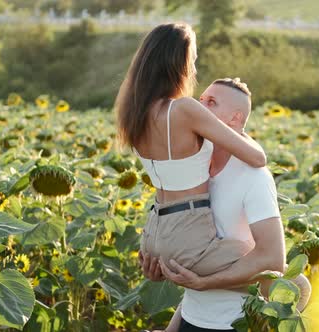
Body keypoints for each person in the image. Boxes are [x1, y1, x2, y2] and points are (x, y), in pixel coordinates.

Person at [115, 21, 270, 309]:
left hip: (154, 234)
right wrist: (236, 125)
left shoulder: (134, 113)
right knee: (291, 283)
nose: (194, 69)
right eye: (193, 60)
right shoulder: (184, 109)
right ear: (180, 63)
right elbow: (257, 158)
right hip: (188, 232)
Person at [140, 78, 312, 332]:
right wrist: (164, 267)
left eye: (211, 103)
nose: (199, 108)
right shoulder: (193, 170)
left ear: (235, 119)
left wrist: (205, 282)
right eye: (201, 101)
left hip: (232, 323)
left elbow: (272, 259)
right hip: (189, 319)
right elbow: (199, 255)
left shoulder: (253, 176)